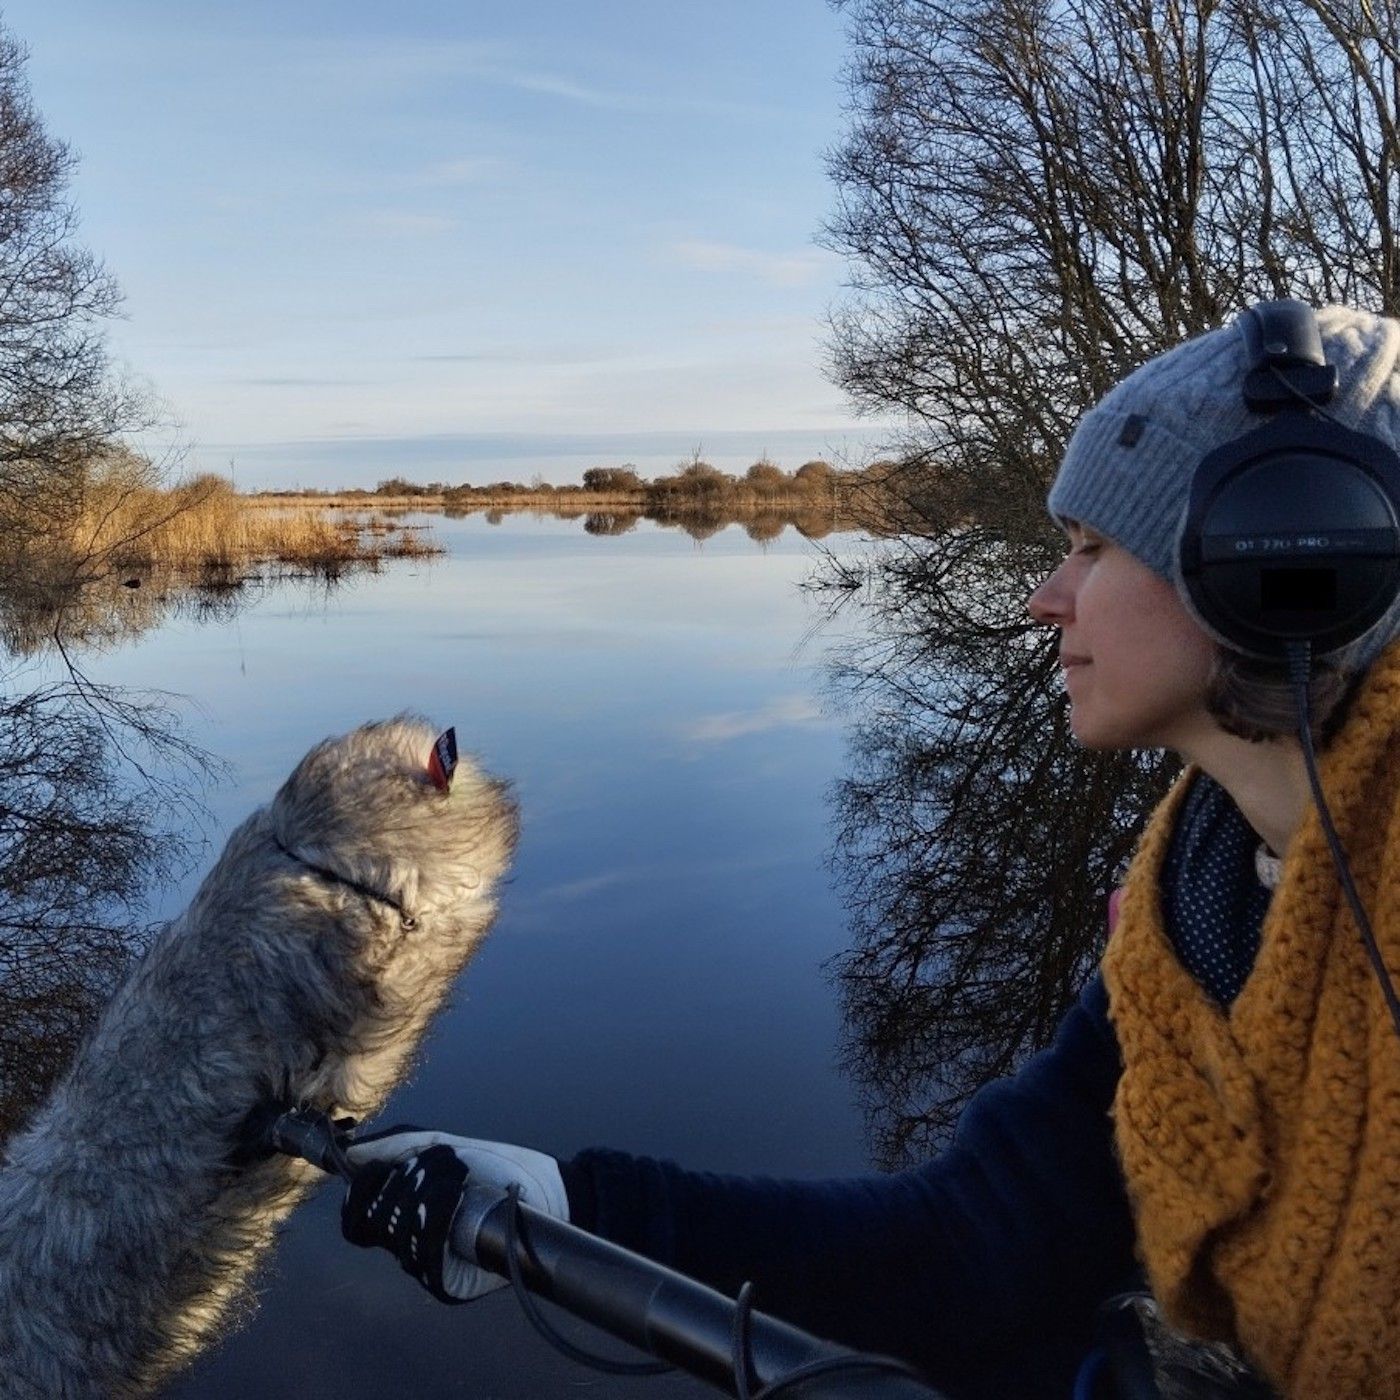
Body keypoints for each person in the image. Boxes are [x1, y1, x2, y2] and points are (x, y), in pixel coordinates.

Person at [340, 304, 1400, 1399]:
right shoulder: (1195, 900)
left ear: (1285, 559)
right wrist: (572, 1204)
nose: (1044, 597)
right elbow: (975, 1247)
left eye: (1088, 549)